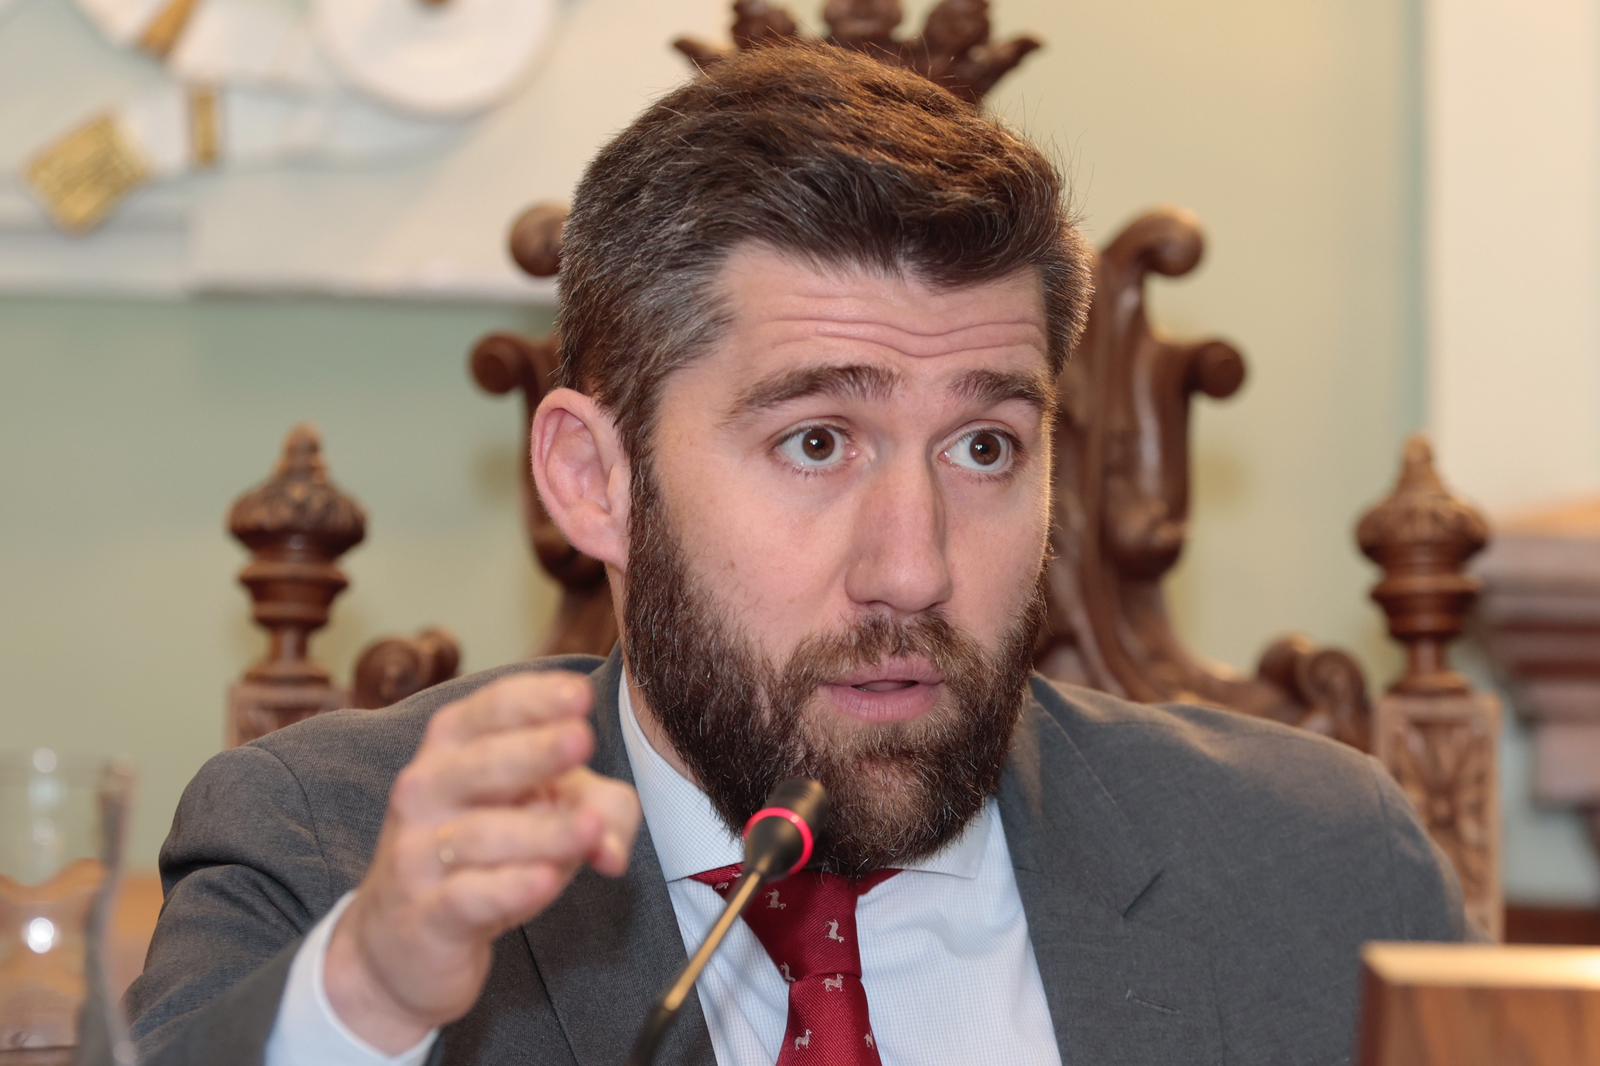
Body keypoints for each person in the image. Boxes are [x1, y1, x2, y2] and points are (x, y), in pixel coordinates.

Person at [125, 41, 1468, 1066]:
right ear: (595, 480)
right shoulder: (332, 856)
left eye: (985, 446)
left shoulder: (1317, 870)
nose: (913, 569)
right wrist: (369, 996)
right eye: (817, 441)